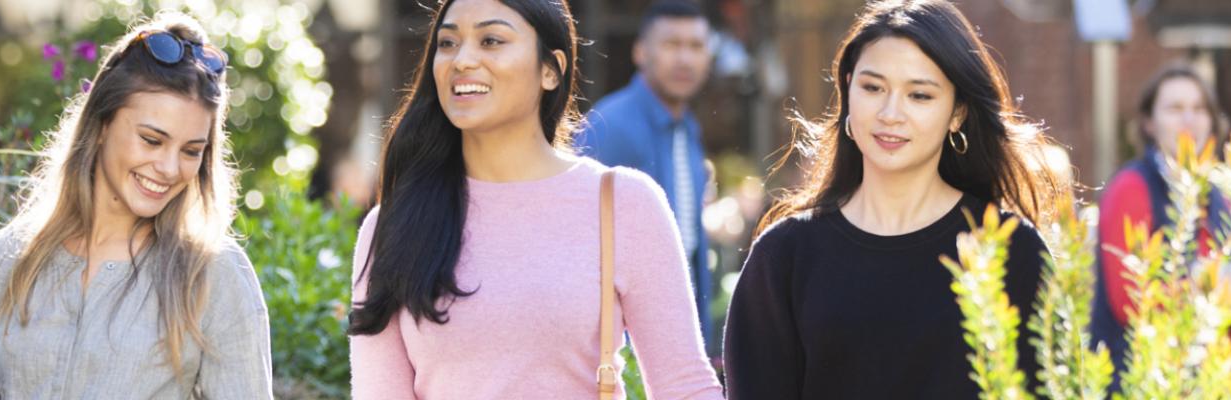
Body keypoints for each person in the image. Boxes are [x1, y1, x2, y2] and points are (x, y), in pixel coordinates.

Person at [346, 0, 722, 398]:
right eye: (448, 42)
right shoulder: (392, 227)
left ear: (550, 69)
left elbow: (684, 386)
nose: (462, 60)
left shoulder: (623, 203)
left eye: (491, 40)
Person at [723, 0, 1070, 398]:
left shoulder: (1011, 251)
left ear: (957, 112)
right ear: (848, 90)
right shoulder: (785, 255)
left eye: (919, 95)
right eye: (873, 88)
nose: (890, 113)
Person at [0, 13, 271, 400]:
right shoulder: (7, 260)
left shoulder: (213, 275)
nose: (170, 168)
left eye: (191, 150)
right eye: (151, 140)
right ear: (103, 122)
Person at [576, 0, 719, 352]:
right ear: (641, 52)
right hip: (618, 344)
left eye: (696, 46)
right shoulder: (610, 125)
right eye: (672, 45)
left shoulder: (686, 126)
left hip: (671, 331)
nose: (685, 59)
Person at [1093, 66, 1231, 382]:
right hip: (1137, 378)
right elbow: (1129, 302)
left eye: (1199, 109)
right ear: (1148, 123)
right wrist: (1226, 299)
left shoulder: (1217, 197)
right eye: (1175, 108)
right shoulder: (1131, 188)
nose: (1189, 119)